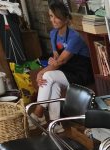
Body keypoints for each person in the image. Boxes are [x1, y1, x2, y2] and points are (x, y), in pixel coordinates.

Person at [29, 1, 93, 133]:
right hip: (64, 71)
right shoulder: (53, 34)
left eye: (56, 16)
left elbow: (61, 61)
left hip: (80, 73)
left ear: (65, 17)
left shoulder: (75, 37)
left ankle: (38, 113)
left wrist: (42, 72)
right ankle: (55, 124)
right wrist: (53, 61)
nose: (53, 20)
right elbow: (56, 58)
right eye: (51, 16)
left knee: (47, 75)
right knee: (54, 85)